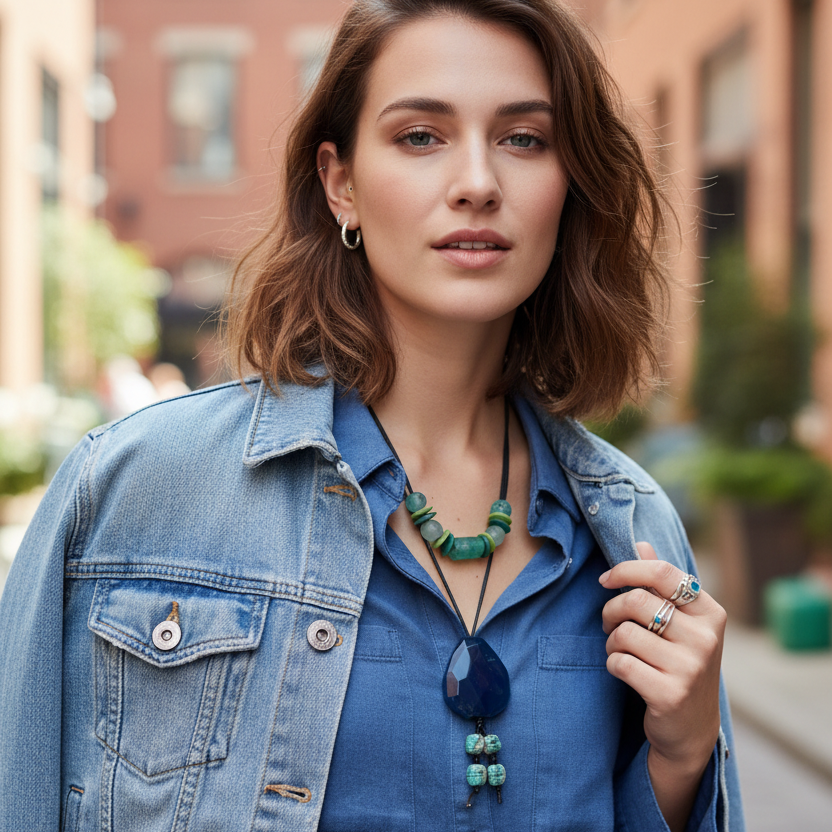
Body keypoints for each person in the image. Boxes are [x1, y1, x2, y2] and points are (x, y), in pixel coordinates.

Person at [0, 1, 744, 830]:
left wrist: (681, 760)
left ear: (569, 187)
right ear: (340, 182)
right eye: (420, 136)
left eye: (524, 138)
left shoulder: (633, 531)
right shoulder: (131, 489)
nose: (477, 182)